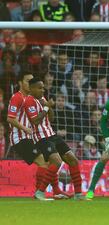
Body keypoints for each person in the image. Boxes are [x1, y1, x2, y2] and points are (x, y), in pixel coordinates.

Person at [25, 77, 84, 200]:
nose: (42, 90)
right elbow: (35, 121)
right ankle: (40, 192)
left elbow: (51, 119)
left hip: (52, 134)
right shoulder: (29, 101)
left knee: (73, 159)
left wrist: (49, 107)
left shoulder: (42, 99)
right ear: (31, 89)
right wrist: (46, 107)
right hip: (40, 137)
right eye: (39, 88)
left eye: (43, 88)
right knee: (56, 161)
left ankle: (78, 194)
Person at [7, 72, 53, 200]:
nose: (30, 83)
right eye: (27, 81)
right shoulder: (17, 97)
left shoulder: (34, 99)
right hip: (20, 138)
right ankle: (39, 193)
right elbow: (10, 119)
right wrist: (25, 128)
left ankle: (52, 191)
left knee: (49, 161)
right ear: (20, 83)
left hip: (31, 137)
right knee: (43, 162)